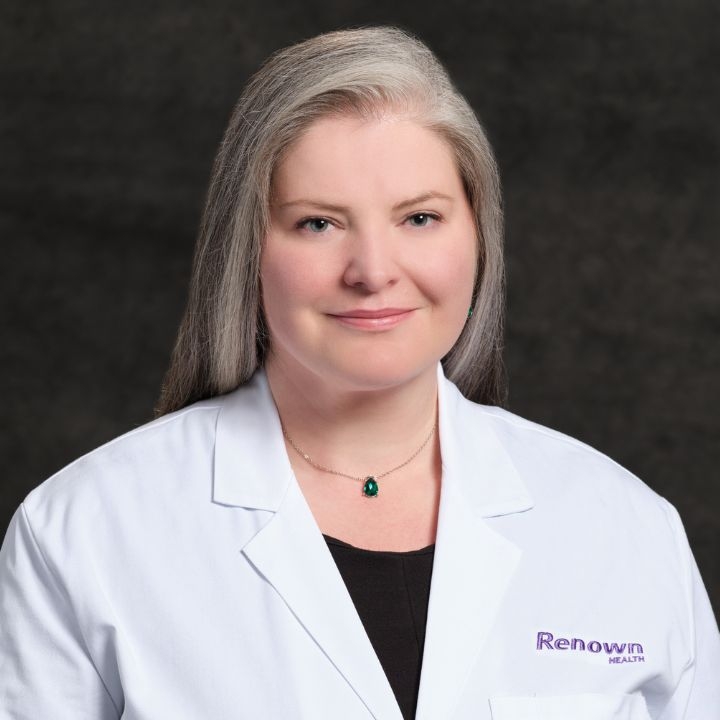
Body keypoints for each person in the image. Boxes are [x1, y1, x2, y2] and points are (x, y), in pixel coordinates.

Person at [0, 26, 718, 720]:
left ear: (479, 235)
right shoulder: (85, 535)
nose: (373, 271)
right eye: (318, 223)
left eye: (419, 218)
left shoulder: (626, 531)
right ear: (246, 249)